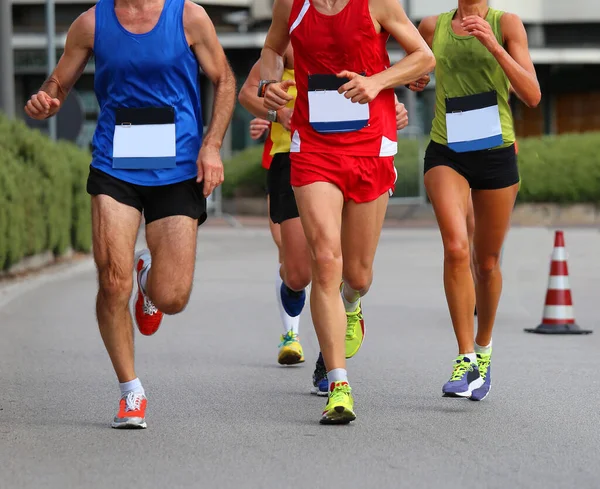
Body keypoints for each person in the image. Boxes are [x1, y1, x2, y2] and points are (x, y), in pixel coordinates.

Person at [24, 0, 235, 428]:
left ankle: (149, 279)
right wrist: (49, 98)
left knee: (173, 296)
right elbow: (60, 82)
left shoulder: (189, 17)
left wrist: (211, 145)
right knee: (111, 280)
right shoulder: (90, 23)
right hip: (115, 161)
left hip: (178, 166)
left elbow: (225, 79)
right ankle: (130, 390)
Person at [259, 0, 435, 424]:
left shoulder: (377, 3)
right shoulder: (292, 5)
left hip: (371, 142)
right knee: (325, 261)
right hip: (313, 144)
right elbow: (270, 49)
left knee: (356, 275)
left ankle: (353, 303)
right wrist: (269, 84)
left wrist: (377, 82)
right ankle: (339, 383)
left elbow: (423, 57)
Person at [242, 49, 411, 396]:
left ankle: (329, 362)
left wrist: (390, 109)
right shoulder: (286, 42)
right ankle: (291, 316)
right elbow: (248, 93)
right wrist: (278, 112)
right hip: (292, 155)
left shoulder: (350, 41)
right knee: (299, 273)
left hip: (350, 151)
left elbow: (389, 78)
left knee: (339, 268)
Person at [410, 0, 540, 400]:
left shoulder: (508, 24)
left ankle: (483, 352)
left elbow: (532, 94)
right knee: (455, 246)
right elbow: (413, 67)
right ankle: (464, 358)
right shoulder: (432, 25)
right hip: (446, 148)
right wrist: (415, 79)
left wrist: (495, 47)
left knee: (486, 263)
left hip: (496, 149)